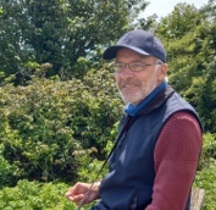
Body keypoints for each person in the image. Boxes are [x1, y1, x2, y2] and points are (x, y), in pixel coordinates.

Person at [65, 29, 203, 210]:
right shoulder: (136, 110)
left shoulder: (179, 123)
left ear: (161, 71)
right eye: (120, 66)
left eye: (136, 65)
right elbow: (135, 176)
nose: (125, 75)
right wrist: (100, 188)